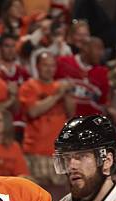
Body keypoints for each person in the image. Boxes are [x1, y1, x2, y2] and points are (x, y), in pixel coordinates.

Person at [19, 51, 75, 186]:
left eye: (52, 66)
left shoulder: (59, 87)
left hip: (58, 152)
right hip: (36, 152)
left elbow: (71, 112)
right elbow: (33, 111)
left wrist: (67, 93)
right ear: (37, 66)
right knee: (36, 194)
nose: (49, 69)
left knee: (59, 196)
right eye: (45, 65)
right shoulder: (29, 86)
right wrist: (56, 96)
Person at [55, 36, 109, 116]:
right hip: (60, 118)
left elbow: (102, 103)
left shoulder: (103, 73)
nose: (101, 53)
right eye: (98, 49)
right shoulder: (63, 62)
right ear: (85, 48)